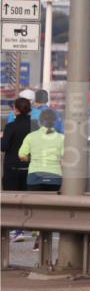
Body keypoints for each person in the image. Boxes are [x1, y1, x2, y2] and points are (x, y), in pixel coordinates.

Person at [2, 97, 32, 242]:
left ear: (16, 110)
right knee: (26, 198)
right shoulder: (35, 126)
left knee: (11, 198)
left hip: (12, 167)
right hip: (29, 166)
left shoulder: (11, 126)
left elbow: (4, 146)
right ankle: (24, 227)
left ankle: (15, 229)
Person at [18, 109, 64, 192]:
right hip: (55, 177)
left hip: (34, 176)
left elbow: (22, 155)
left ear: (40, 121)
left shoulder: (31, 136)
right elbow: (65, 159)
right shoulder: (62, 138)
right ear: (55, 121)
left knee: (34, 203)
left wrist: (30, 159)